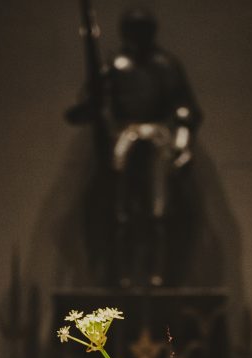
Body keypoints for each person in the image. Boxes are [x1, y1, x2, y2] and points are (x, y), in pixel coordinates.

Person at [66, 5, 202, 286]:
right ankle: (120, 272)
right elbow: (91, 102)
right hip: (122, 137)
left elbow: (185, 108)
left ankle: (159, 272)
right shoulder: (114, 66)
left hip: (158, 137)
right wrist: (92, 108)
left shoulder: (166, 65)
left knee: (159, 211)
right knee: (119, 211)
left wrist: (182, 143)